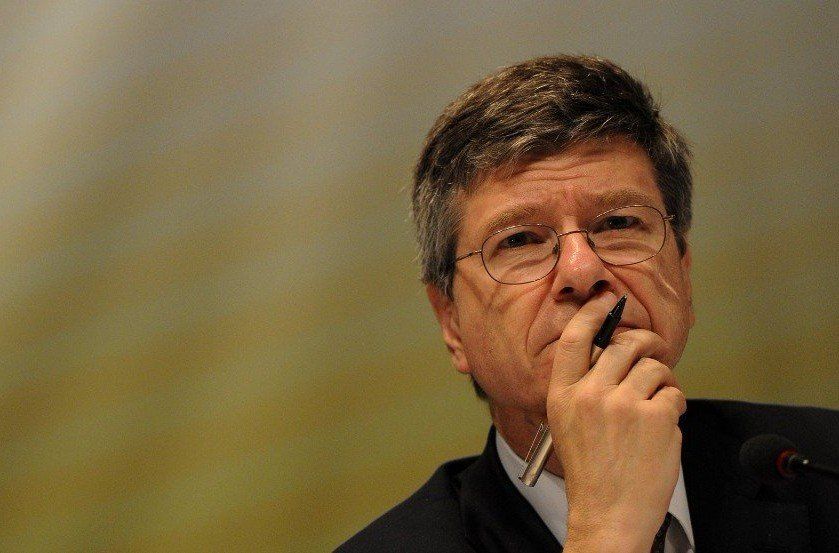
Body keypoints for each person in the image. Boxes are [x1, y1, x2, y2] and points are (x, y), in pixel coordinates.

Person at [337, 55, 838, 552]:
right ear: (452, 324)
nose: (582, 270)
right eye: (520, 241)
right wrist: (606, 532)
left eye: (618, 224)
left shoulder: (824, 468)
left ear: (683, 274)